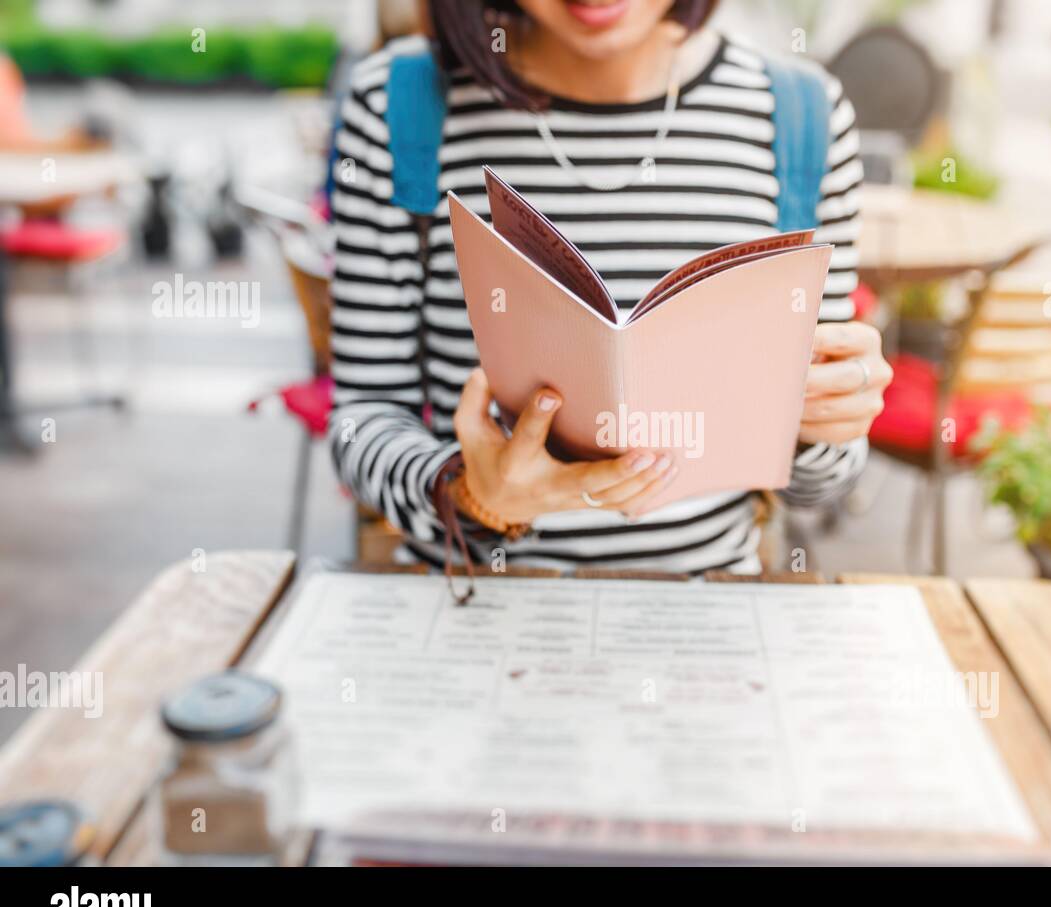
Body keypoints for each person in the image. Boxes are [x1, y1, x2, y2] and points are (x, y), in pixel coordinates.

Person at [329, 0, 892, 574]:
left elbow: (821, 483)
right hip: (473, 604)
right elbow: (363, 417)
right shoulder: (400, 108)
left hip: (701, 614)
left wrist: (820, 422)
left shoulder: (801, 117)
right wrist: (468, 493)